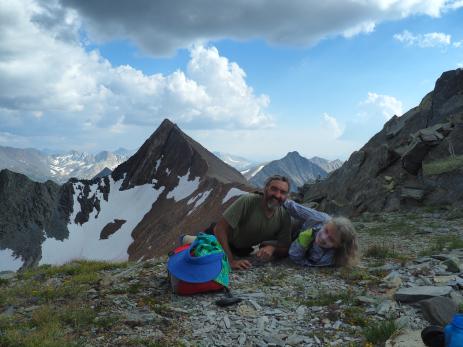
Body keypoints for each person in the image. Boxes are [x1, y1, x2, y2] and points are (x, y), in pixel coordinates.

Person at [213, 175, 292, 270]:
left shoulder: (284, 215)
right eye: (274, 189)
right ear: (266, 189)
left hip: (243, 250)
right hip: (217, 241)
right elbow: (219, 229)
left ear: (286, 196)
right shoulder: (248, 201)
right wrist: (230, 261)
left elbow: (286, 247)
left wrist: (273, 248)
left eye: (283, 192)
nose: (277, 195)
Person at [284, 199, 358, 267]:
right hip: (296, 226)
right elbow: (293, 207)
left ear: (338, 246)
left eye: (331, 239)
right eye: (326, 230)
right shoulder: (321, 218)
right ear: (325, 224)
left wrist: (301, 244)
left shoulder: (328, 258)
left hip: (294, 244)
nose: (323, 237)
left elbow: (295, 258)